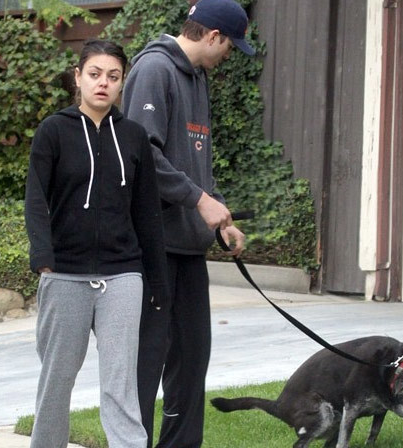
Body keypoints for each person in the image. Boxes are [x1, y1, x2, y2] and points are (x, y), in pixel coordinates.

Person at [121, 0, 255, 446]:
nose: (228, 56)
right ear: (213, 36)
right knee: (147, 363)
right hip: (153, 247)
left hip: (188, 247)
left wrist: (216, 213)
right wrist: (199, 200)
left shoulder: (197, 79)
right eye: (230, 47)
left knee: (192, 360)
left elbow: (196, 163)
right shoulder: (154, 70)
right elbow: (141, 156)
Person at [25, 39, 168, 448]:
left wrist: (156, 280)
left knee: (120, 384)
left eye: (113, 76)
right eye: (94, 74)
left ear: (122, 83)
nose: (103, 83)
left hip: (123, 274)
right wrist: (44, 259)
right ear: (78, 77)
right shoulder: (53, 131)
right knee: (57, 381)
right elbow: (36, 198)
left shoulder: (135, 137)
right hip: (65, 275)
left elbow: (146, 213)